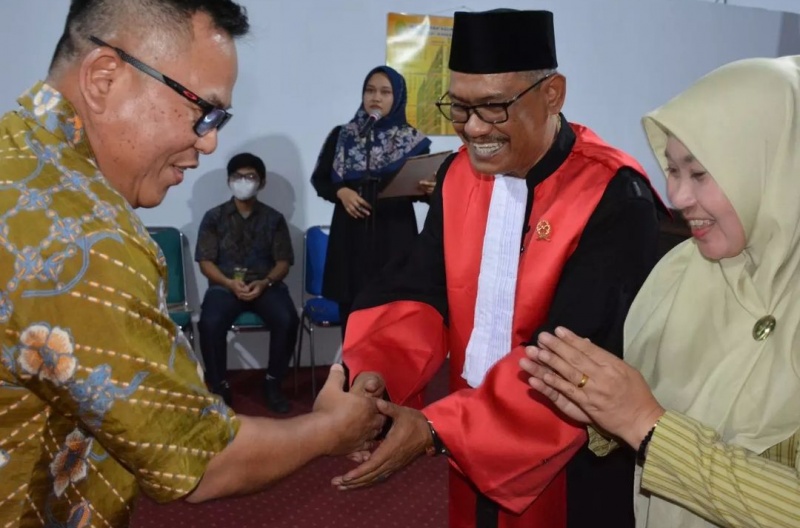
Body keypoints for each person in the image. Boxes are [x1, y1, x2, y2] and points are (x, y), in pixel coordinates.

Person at [0, 2, 382, 527]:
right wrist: (333, 429)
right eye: (203, 111)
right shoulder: (81, 238)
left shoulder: (18, 159)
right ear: (104, 78)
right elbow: (204, 463)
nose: (209, 142)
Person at [332, 9, 666, 528]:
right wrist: (378, 376)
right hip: (467, 430)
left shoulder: (613, 193)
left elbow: (579, 350)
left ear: (552, 94)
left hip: (571, 451)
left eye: (492, 107)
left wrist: (437, 430)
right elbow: (422, 288)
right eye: (459, 107)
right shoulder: (457, 175)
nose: (472, 129)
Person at [521, 55, 800, 528]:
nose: (678, 197)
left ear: (774, 166)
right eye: (672, 170)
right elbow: (650, 407)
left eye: (701, 174)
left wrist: (645, 425)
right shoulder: (685, 269)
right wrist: (602, 411)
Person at [311, 65, 431, 334]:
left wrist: (431, 190)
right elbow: (320, 180)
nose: (376, 97)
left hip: (394, 236)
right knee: (352, 319)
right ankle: (353, 363)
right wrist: (341, 192)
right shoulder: (342, 136)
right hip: (350, 238)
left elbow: (424, 191)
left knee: (393, 321)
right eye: (370, 90)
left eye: (385, 92)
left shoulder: (413, 142)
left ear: (397, 98)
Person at [196, 152, 300, 413]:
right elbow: (205, 262)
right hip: (224, 286)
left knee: (287, 318)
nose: (243, 182)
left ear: (261, 182)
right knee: (209, 322)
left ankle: (273, 383)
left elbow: (283, 262)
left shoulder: (274, 219)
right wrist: (229, 283)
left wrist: (265, 282)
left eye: (250, 177)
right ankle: (219, 385)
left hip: (265, 286)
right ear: (229, 181)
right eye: (237, 177)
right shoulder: (214, 217)